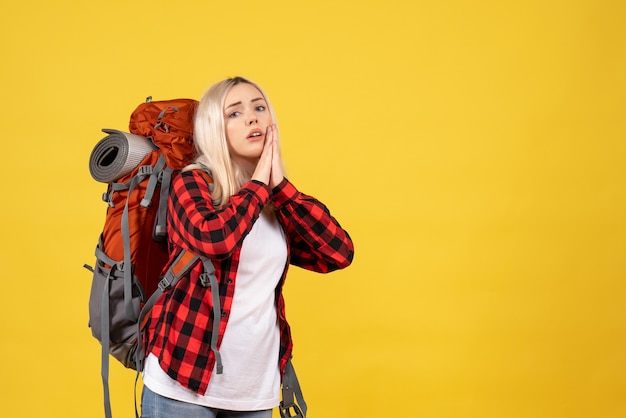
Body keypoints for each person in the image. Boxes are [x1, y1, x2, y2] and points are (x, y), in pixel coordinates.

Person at [141, 76, 355, 418]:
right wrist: (258, 184)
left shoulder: (276, 203)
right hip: (183, 384)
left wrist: (280, 186)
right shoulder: (193, 183)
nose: (253, 118)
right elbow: (216, 240)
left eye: (259, 108)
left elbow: (338, 253)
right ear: (215, 129)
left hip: (253, 393)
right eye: (235, 113)